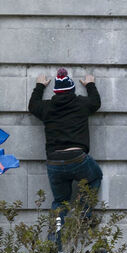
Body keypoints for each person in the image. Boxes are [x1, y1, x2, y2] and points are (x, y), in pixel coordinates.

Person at [29, 68, 103, 241]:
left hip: (55, 162)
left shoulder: (46, 108)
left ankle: (54, 242)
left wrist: (39, 86)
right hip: (78, 158)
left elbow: (33, 105)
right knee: (95, 176)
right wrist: (90, 84)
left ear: (55, 91)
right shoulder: (81, 104)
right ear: (72, 89)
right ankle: (85, 213)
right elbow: (96, 102)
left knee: (60, 202)